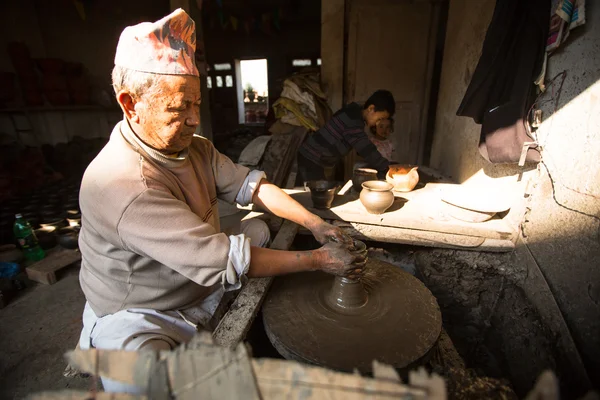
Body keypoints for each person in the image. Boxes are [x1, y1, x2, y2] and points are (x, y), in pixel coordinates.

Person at [77, 9, 361, 393]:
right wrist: (316, 260)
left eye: (197, 103)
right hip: (142, 307)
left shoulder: (195, 149)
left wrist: (316, 224)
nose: (195, 119)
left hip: (189, 271)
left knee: (258, 227)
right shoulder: (122, 184)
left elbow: (253, 187)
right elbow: (221, 257)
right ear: (130, 104)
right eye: (179, 108)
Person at [297, 90, 396, 181]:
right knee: (311, 193)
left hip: (315, 158)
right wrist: (388, 168)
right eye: (379, 118)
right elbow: (366, 149)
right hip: (311, 158)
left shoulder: (354, 112)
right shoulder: (352, 119)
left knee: (312, 192)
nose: (377, 123)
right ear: (371, 108)